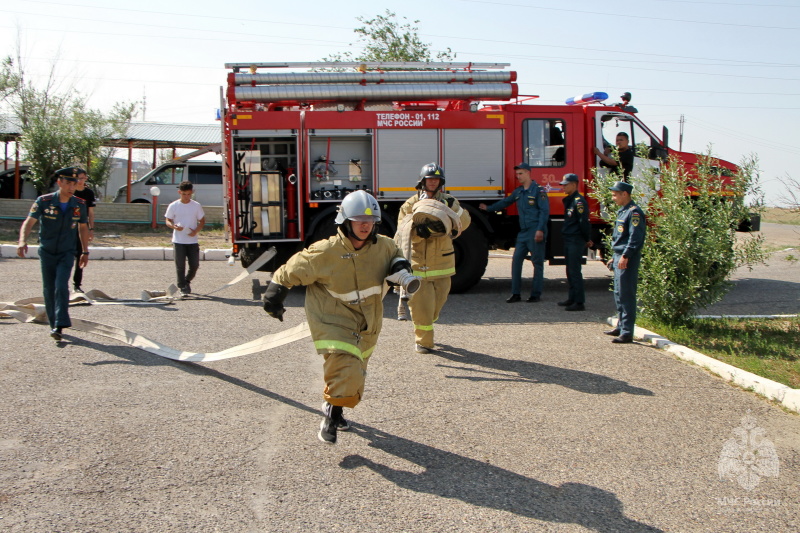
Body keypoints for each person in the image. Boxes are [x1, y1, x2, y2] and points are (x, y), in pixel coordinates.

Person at [262, 190, 413, 444]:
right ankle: (331, 417)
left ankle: (337, 408)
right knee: (346, 365)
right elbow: (289, 271)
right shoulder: (325, 252)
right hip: (332, 318)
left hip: (368, 319)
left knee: (356, 369)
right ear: (345, 221)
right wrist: (273, 300)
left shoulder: (383, 246)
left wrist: (401, 266)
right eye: (358, 220)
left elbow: (396, 253)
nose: (365, 225)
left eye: (370, 221)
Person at [395, 162, 471, 354]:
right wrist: (420, 231)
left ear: (441, 182)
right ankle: (423, 341)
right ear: (422, 181)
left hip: (442, 264)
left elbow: (465, 222)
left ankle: (428, 318)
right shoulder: (411, 204)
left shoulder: (449, 201)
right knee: (421, 306)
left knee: (437, 303)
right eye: (429, 179)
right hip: (418, 264)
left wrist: (450, 210)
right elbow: (401, 231)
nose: (433, 182)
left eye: (436, 179)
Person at [17, 167, 90, 341]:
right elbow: (29, 222)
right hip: (47, 252)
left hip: (66, 252)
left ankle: (61, 322)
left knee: (61, 285)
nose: (72, 187)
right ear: (59, 182)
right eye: (68, 183)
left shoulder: (79, 204)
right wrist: (21, 241)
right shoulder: (44, 201)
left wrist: (85, 251)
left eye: (75, 183)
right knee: (49, 289)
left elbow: (83, 228)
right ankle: (54, 325)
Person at [479, 162, 549, 303]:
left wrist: (540, 229)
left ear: (529, 173)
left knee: (537, 263)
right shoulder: (519, 192)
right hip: (523, 233)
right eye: (517, 174)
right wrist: (488, 208)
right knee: (516, 261)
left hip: (535, 230)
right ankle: (515, 293)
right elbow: (505, 202)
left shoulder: (539, 191)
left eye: (521, 173)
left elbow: (544, 211)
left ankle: (535, 294)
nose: (518, 177)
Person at [604, 181, 647, 344]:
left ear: (625, 194)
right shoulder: (623, 211)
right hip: (619, 255)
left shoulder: (634, 212)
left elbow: (635, 238)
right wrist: (615, 256)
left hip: (626, 258)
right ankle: (621, 326)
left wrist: (625, 255)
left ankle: (628, 331)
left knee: (626, 293)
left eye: (615, 194)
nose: (613, 198)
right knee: (618, 293)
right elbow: (620, 238)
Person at [558, 173, 593, 311]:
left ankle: (579, 302)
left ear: (574, 184)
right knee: (569, 270)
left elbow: (583, 222)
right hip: (569, 239)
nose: (563, 187)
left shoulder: (579, 201)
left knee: (575, 271)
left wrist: (586, 238)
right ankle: (572, 298)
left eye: (566, 185)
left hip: (575, 239)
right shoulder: (570, 200)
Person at [165, 181, 205, 297]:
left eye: (188, 194)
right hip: (178, 241)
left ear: (192, 193)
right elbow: (167, 220)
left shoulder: (196, 205)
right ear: (179, 192)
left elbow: (202, 221)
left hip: (192, 241)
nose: (186, 197)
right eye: (184, 194)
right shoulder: (174, 205)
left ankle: (187, 281)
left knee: (194, 265)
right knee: (180, 265)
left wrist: (196, 231)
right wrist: (173, 226)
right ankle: (182, 287)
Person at [72, 169, 95, 293]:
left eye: (83, 178)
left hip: (82, 226)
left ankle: (77, 285)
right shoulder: (70, 191)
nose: (80, 181)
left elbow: (91, 213)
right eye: (78, 178)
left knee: (81, 254)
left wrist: (91, 229)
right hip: (68, 226)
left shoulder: (88, 193)